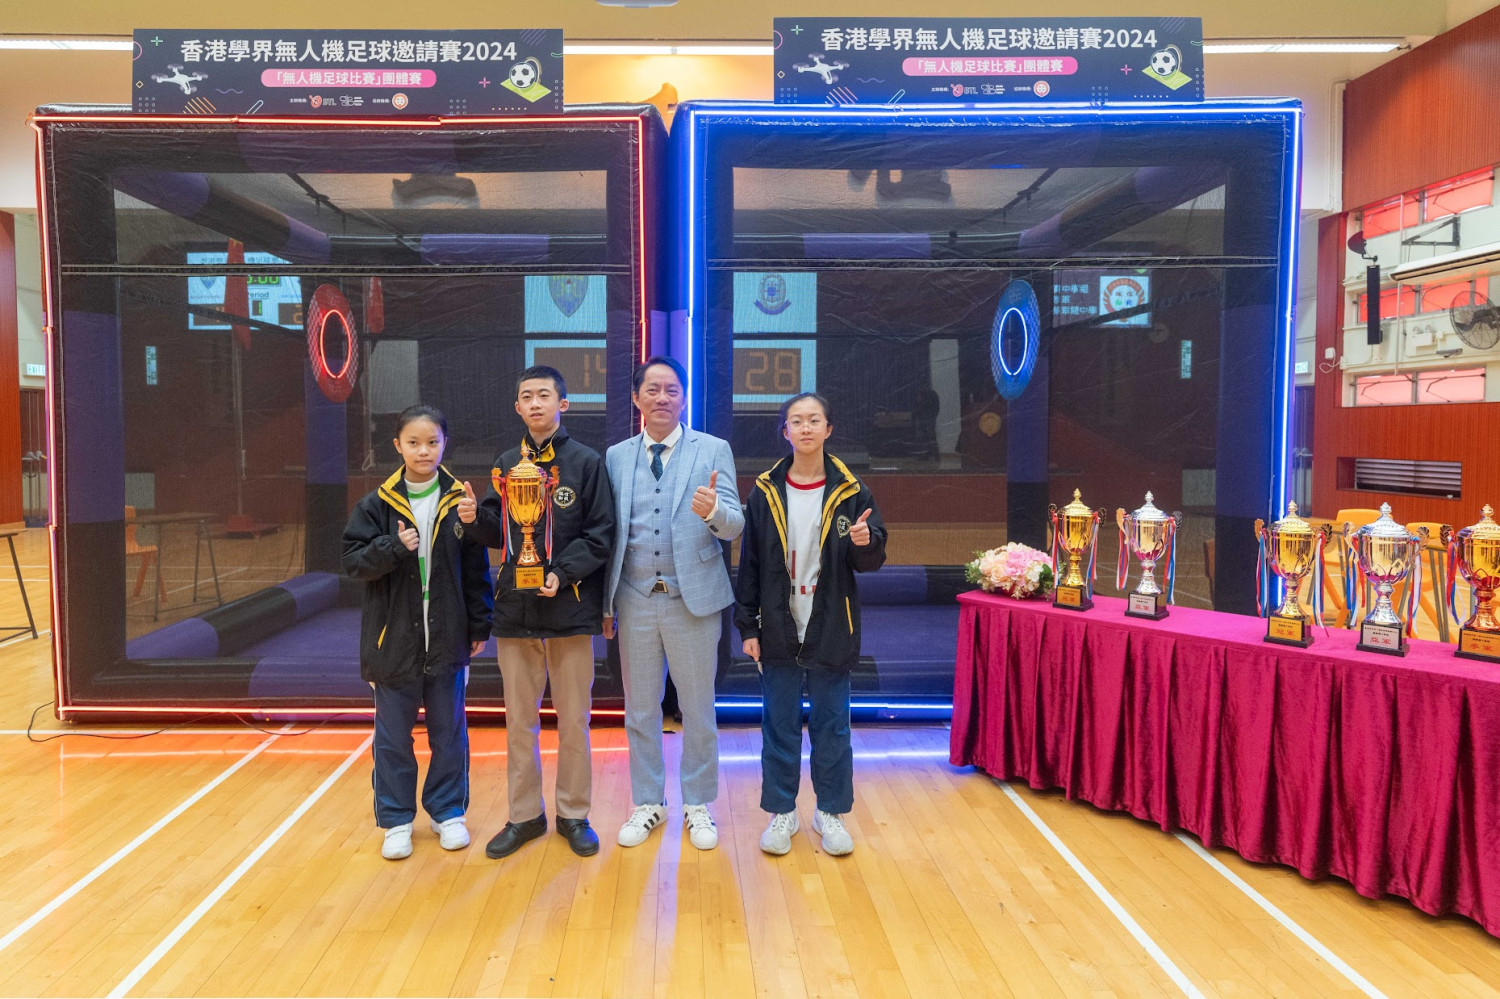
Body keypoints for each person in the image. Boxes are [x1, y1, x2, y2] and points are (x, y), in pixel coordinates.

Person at [458, 365, 615, 860]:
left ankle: (574, 814)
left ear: (562, 404)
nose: (535, 404)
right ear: (517, 407)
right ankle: (524, 815)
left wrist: (561, 574)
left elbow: (601, 534)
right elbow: (499, 533)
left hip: (569, 609)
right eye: (526, 397)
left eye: (544, 395)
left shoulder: (587, 463)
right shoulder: (506, 464)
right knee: (519, 723)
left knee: (574, 722)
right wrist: (474, 520)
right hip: (516, 611)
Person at [734, 392, 887, 857]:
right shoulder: (764, 491)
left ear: (828, 429)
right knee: (779, 725)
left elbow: (871, 560)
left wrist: (864, 541)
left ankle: (830, 812)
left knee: (832, 727)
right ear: (785, 431)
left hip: (832, 627)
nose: (805, 428)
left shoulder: (852, 490)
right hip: (778, 626)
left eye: (814, 420)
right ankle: (782, 812)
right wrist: (748, 627)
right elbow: (750, 564)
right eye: (796, 421)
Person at [603, 356, 743, 851]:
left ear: (684, 398)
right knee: (640, 710)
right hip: (635, 599)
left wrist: (716, 511)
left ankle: (698, 803)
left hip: (694, 600)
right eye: (653, 389)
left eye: (672, 390)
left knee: (698, 710)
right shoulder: (616, 456)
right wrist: (605, 604)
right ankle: (648, 801)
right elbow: (608, 532)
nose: (662, 397)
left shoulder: (714, 449)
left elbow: (735, 525)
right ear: (636, 398)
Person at [342, 405, 493, 861]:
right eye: (413, 442)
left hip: (447, 639)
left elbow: (476, 571)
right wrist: (393, 546)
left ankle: (448, 812)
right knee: (392, 739)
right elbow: (353, 562)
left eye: (432, 442)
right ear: (398, 446)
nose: (423, 451)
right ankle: (396, 820)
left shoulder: (460, 500)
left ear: (445, 444)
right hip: (393, 643)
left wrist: (479, 623)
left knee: (449, 733)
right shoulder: (376, 504)